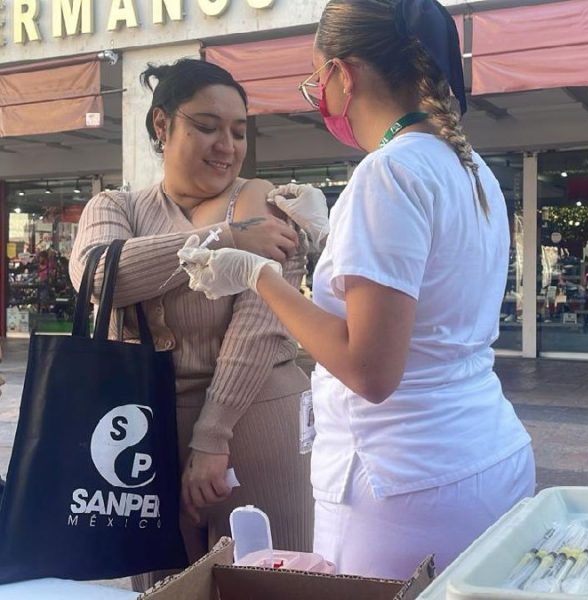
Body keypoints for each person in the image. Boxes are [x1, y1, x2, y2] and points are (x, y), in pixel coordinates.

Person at [179, 0, 535, 579]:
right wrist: (330, 241)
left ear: (344, 74)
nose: (318, 95)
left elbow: (369, 370)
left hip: (403, 483)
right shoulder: (471, 170)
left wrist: (255, 274)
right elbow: (426, 311)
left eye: (317, 78)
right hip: (482, 454)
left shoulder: (389, 173)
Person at [68, 59, 313, 589]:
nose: (226, 145)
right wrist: (223, 242)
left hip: (255, 420)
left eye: (239, 131)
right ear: (162, 125)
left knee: (272, 579)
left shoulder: (269, 209)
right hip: (143, 434)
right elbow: (98, 275)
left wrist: (211, 435)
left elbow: (259, 328)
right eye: (206, 126)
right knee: (163, 586)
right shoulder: (117, 206)